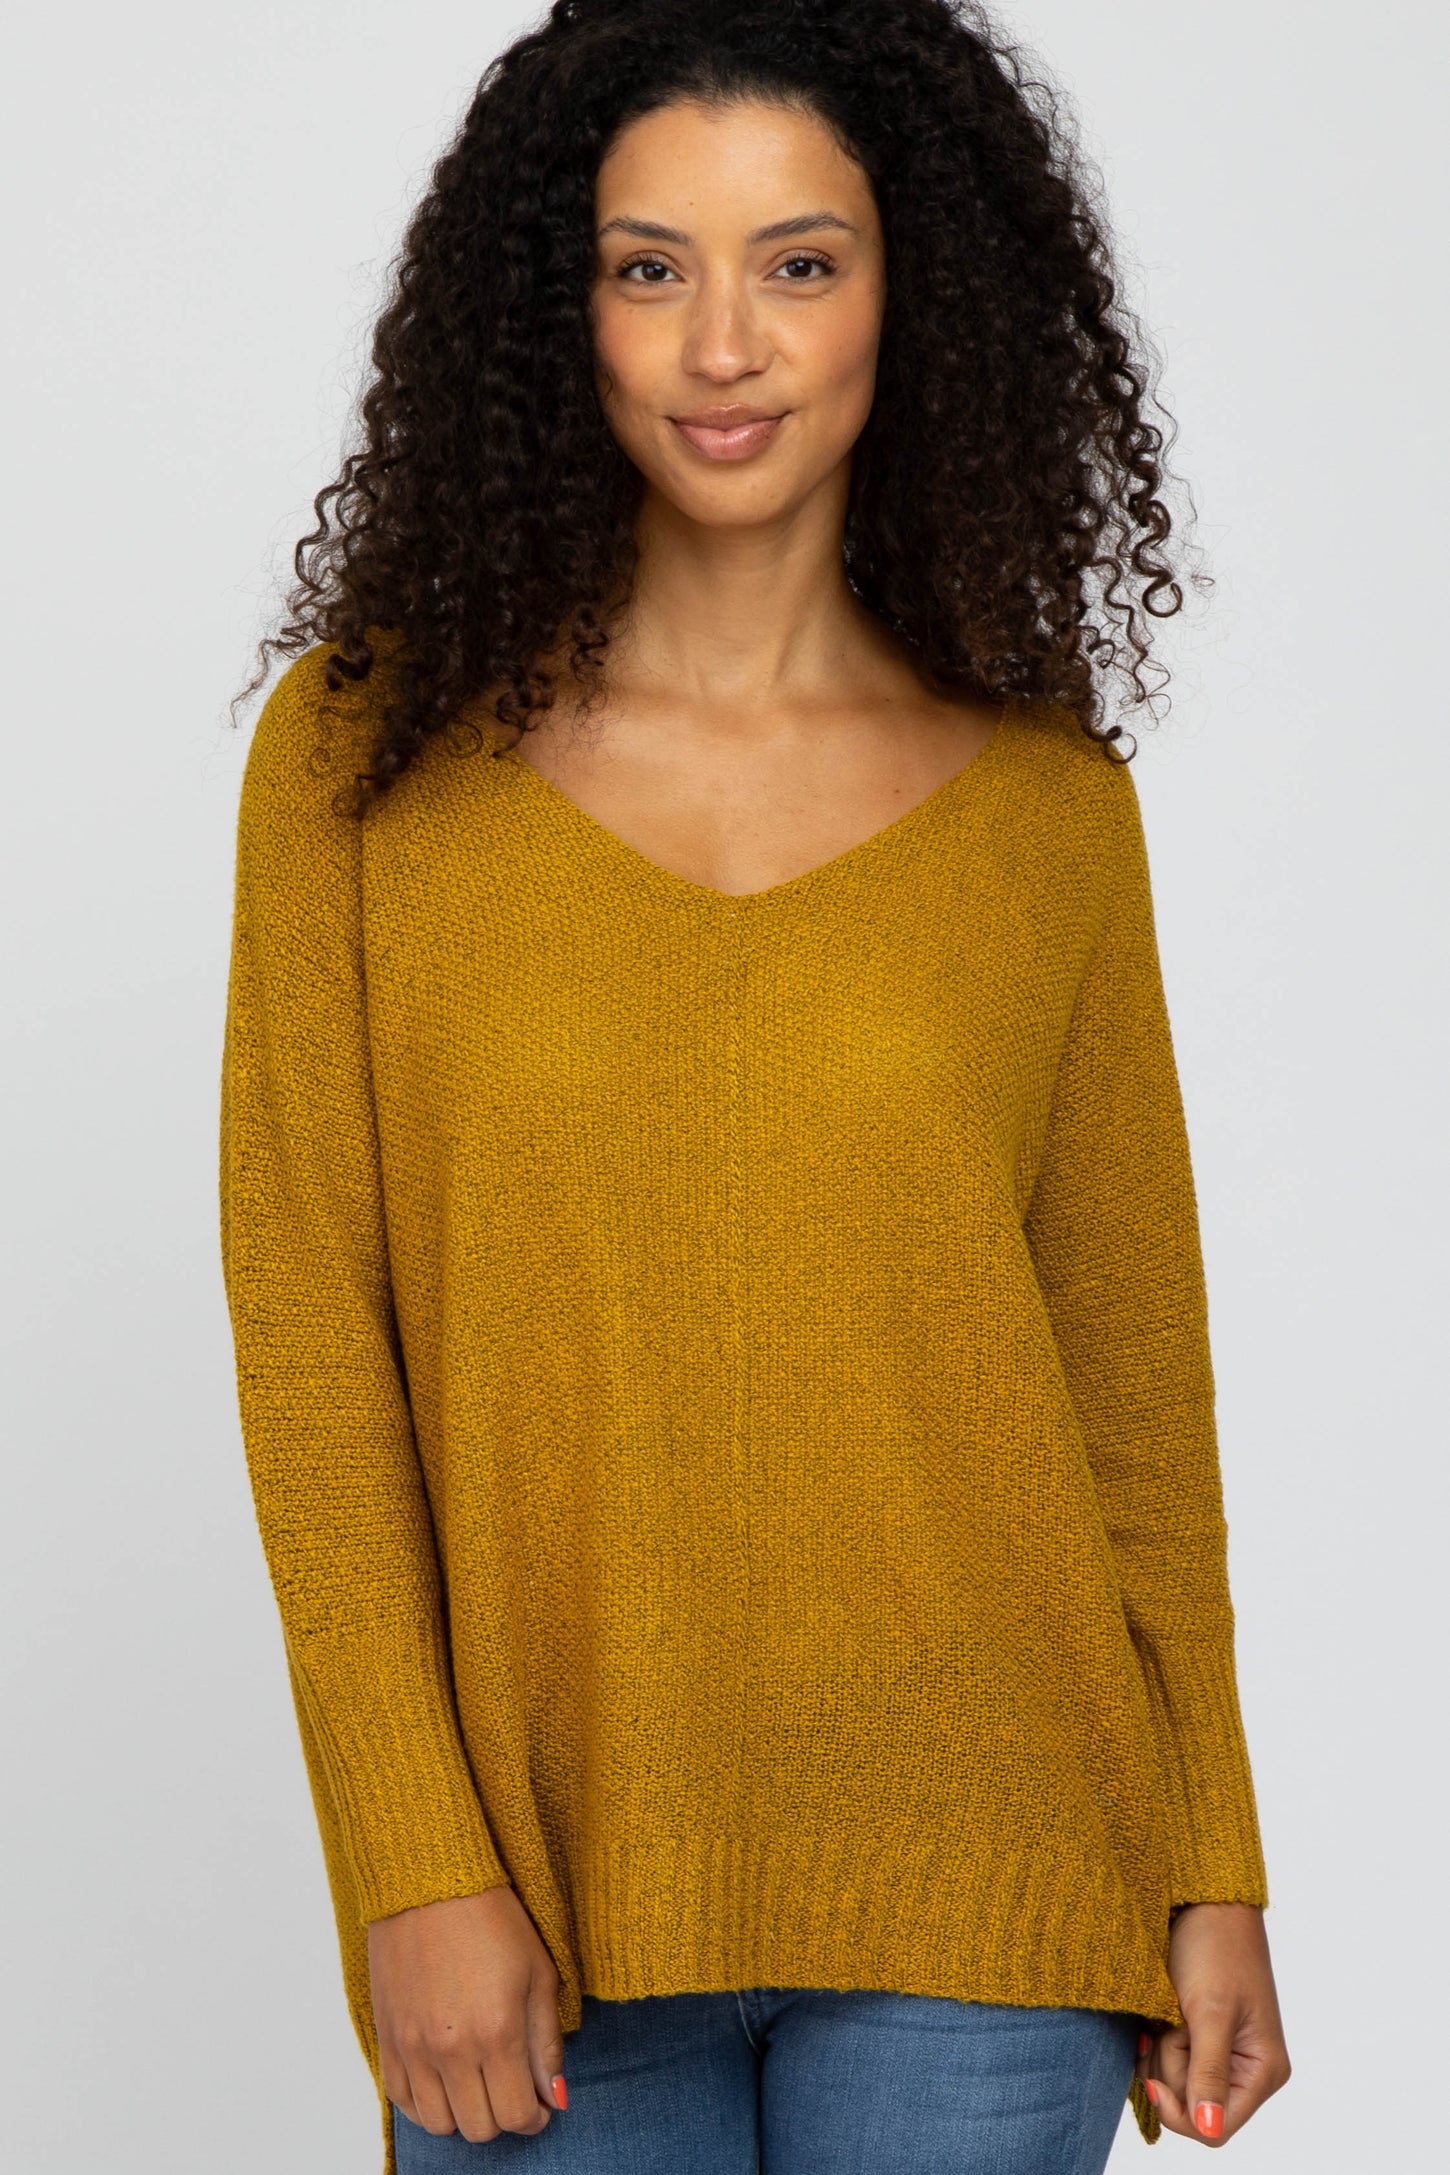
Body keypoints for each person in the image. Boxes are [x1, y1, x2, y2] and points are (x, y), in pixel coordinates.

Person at [220, 2, 1291, 2168]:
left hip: (993, 1874)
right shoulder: (362, 759)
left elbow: (1126, 1383)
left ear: (914, 292)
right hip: (535, 1896)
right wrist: (407, 1857)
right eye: (649, 267)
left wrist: (1209, 1858)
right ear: (559, 311)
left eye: (799, 262)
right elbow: (314, 1344)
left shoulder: (1043, 810)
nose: (724, 344)